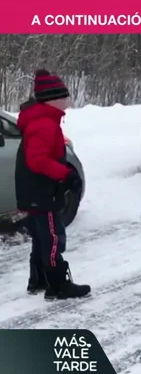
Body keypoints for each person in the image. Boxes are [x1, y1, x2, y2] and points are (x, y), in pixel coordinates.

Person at [15, 69, 91, 300]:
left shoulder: (43, 120)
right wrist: (66, 175)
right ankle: (58, 285)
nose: (68, 101)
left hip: (35, 191)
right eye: (65, 96)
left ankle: (37, 280)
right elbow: (37, 160)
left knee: (41, 237)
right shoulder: (44, 124)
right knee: (53, 237)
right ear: (53, 99)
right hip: (42, 191)